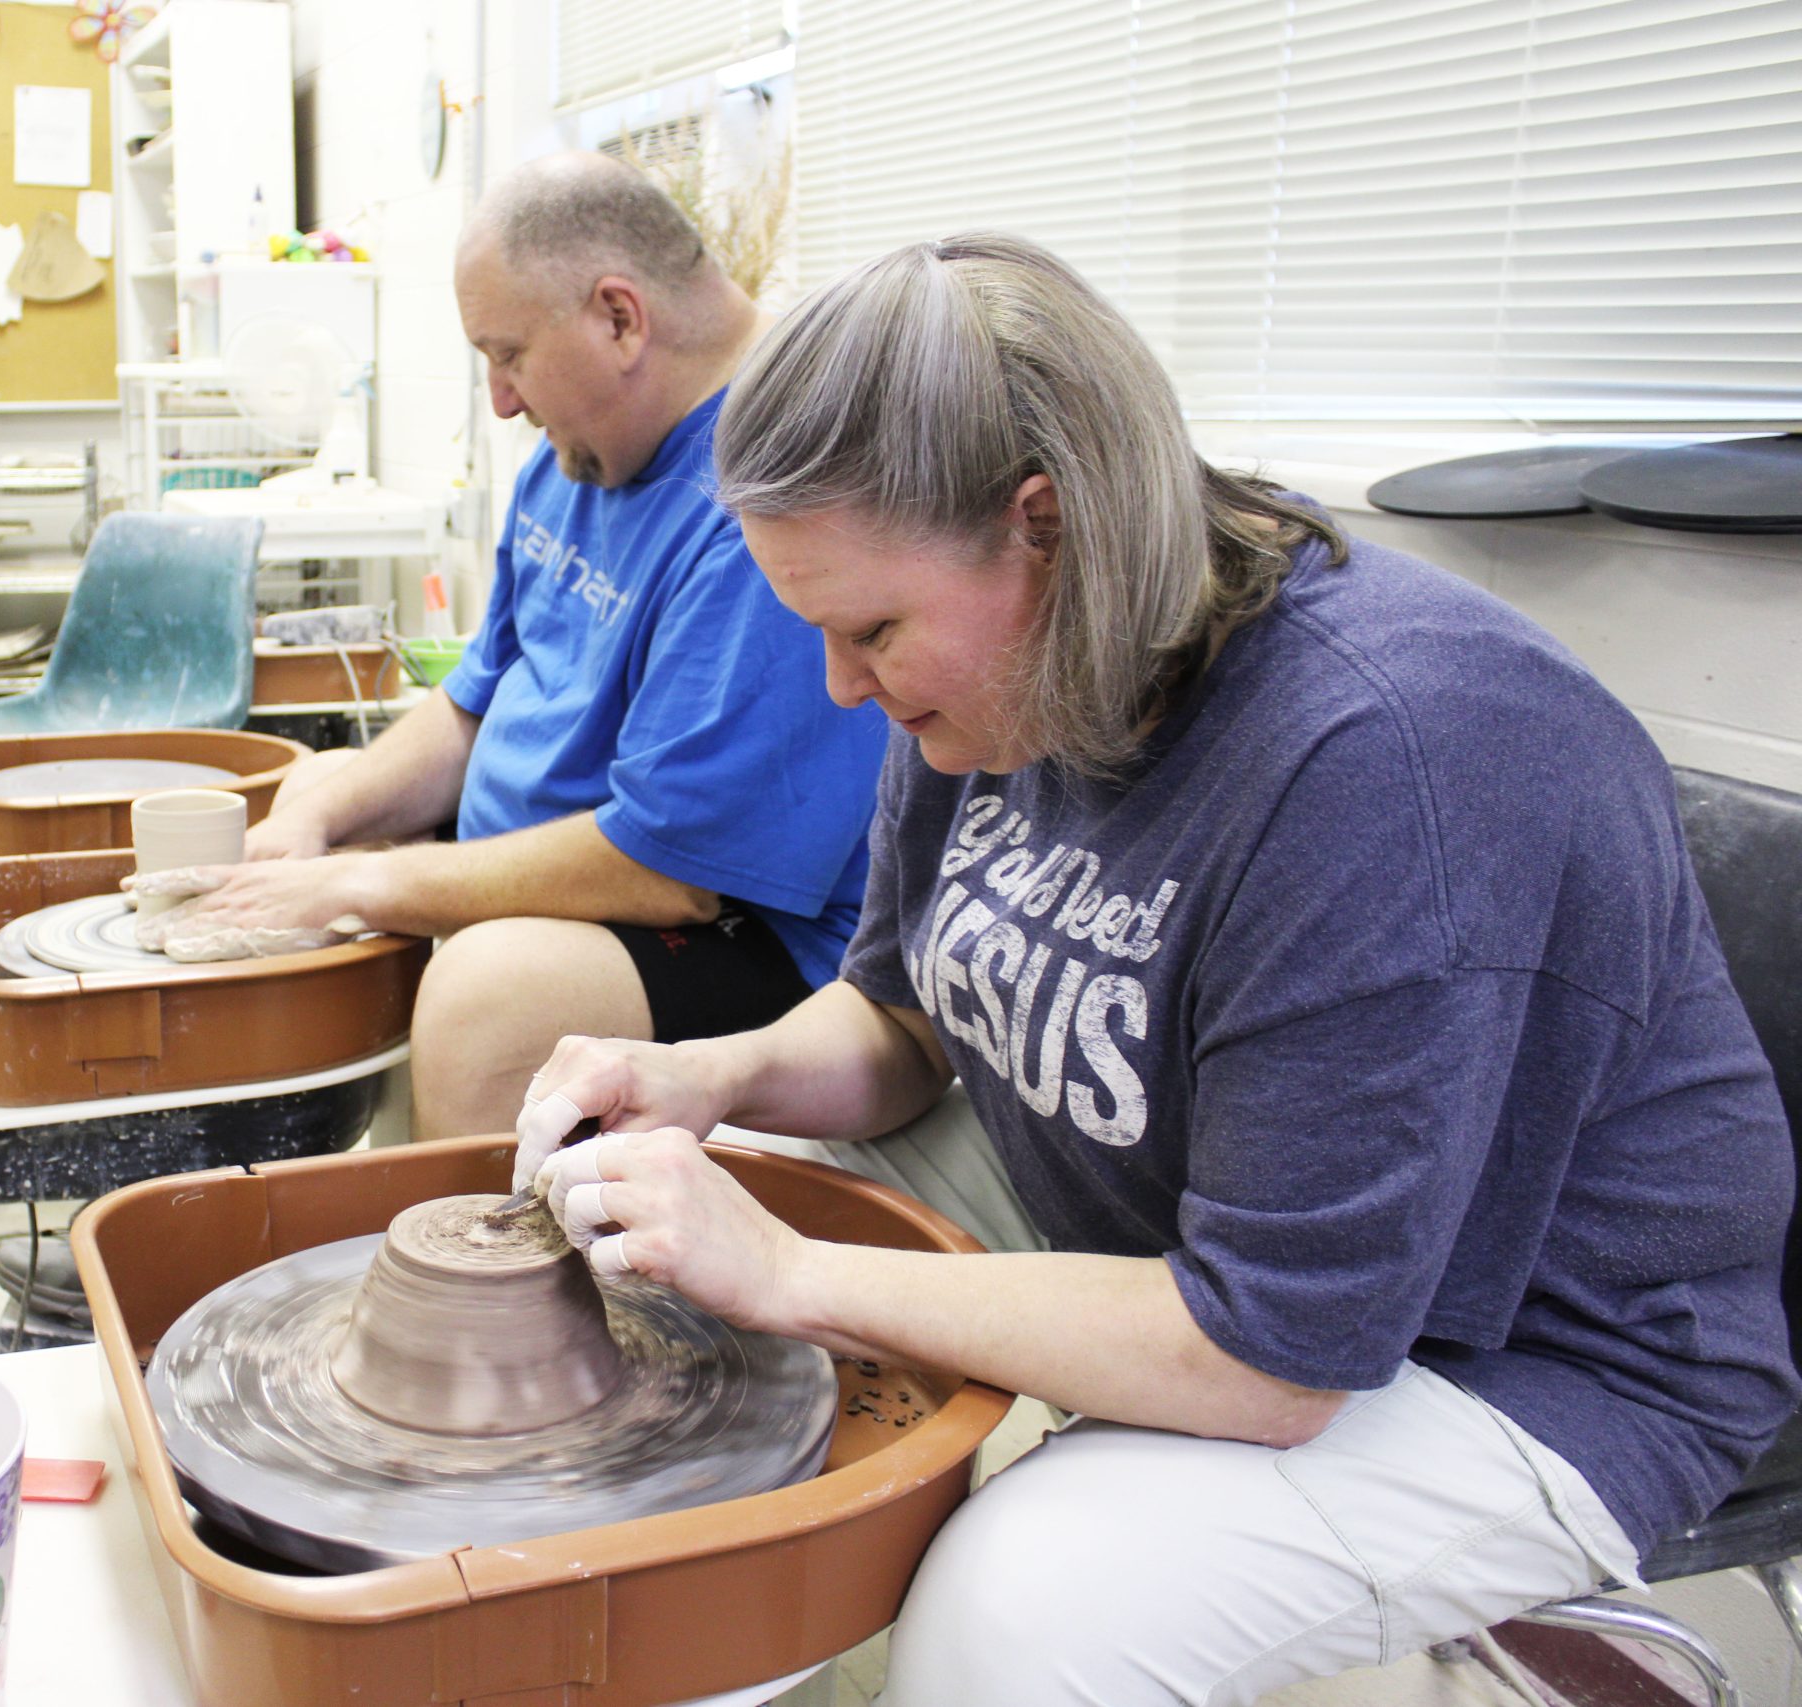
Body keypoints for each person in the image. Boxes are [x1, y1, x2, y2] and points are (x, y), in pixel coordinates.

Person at [511, 233, 1798, 1705]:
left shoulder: (1388, 752)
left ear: (1045, 527)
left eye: (868, 628)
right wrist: (705, 1075)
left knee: (1018, 1609)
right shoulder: (996, 676)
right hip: (1178, 1209)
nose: (840, 685)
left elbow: (1269, 1355)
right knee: (660, 1250)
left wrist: (795, 1271)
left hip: (1530, 1361)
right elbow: (905, 1018)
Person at [149, 153, 888, 1141]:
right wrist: (323, 810)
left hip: (746, 932)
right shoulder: (576, 454)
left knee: (481, 990)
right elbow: (471, 703)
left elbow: (668, 867)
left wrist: (366, 881)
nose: (498, 400)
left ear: (619, 318)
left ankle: (460, 1271)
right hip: (576, 868)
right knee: (315, 809)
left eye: (508, 356)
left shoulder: (767, 497)